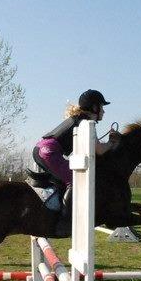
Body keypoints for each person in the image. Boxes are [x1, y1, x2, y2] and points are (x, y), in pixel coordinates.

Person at [34, 89, 118, 233]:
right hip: (49, 152)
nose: (104, 112)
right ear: (94, 108)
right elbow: (99, 150)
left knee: (67, 178)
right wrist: (112, 142)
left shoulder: (79, 119)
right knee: (75, 180)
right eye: (102, 107)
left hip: (40, 149)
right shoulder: (86, 122)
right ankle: (65, 222)